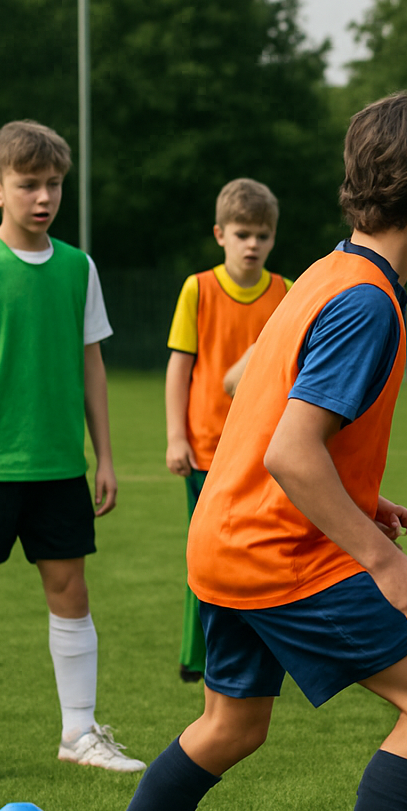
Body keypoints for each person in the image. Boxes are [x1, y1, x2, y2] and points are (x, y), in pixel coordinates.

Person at [60, 92, 407, 811]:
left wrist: (364, 504)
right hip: (274, 551)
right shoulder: (367, 304)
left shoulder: (325, 272)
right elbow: (291, 451)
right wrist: (385, 561)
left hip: (221, 539)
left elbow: (275, 429)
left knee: (229, 724)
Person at [0, 119, 145, 788]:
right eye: (28, 185)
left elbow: (92, 368)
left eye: (52, 185)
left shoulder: (80, 268)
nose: (43, 197)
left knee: (70, 592)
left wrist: (104, 457)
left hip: (58, 467)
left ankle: (79, 731)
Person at [165, 177, 293, 683]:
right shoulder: (198, 288)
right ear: (220, 234)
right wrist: (176, 435)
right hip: (204, 447)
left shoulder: (284, 291)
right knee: (205, 555)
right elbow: (180, 367)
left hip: (263, 450)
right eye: (242, 234)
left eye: (262, 235)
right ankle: (196, 655)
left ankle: (266, 648)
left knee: (264, 552)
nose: (252, 245)